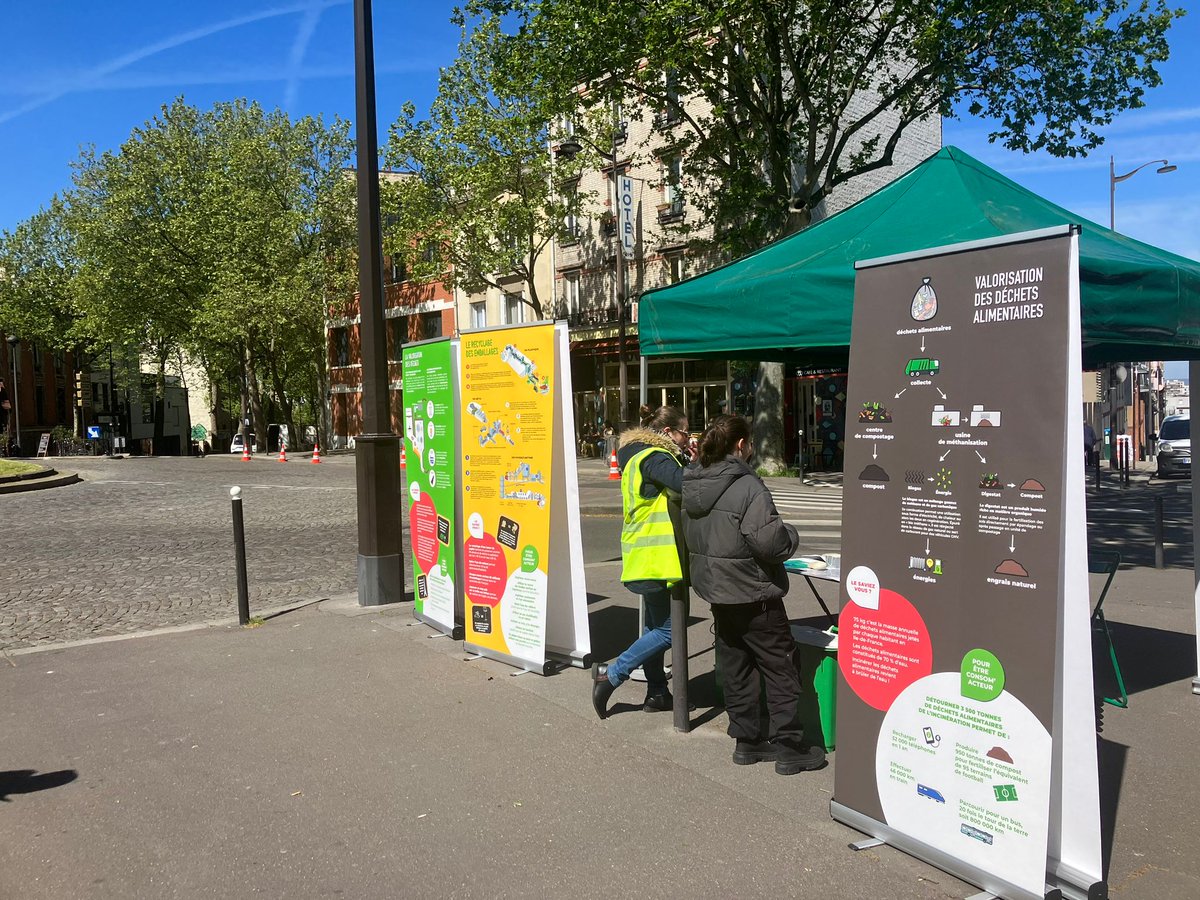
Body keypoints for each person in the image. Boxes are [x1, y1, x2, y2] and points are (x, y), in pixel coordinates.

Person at [682, 414, 825, 775]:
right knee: (780, 666)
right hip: (754, 592)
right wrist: (789, 533)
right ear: (742, 445)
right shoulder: (748, 487)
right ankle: (789, 746)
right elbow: (771, 543)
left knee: (737, 665)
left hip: (718, 591)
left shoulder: (693, 481)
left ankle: (746, 741)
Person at [591, 405, 691, 718]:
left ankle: (657, 691)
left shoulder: (635, 455)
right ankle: (612, 675)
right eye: (684, 431)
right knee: (670, 631)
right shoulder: (655, 457)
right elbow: (686, 483)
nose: (689, 437)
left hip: (643, 555)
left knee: (653, 627)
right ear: (667, 433)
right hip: (659, 558)